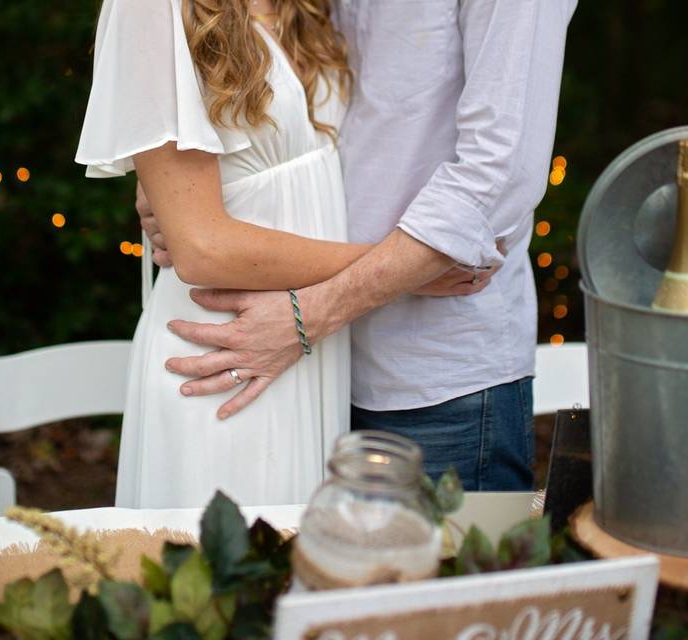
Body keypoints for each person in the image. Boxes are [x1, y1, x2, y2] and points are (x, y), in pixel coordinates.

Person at [143, 0, 578, 491]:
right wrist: (173, 181)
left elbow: (498, 172)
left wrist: (314, 311)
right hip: (311, 366)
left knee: (447, 567)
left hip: (434, 378)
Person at [75, 0, 490, 508]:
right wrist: (400, 269)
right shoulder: (150, 8)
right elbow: (201, 248)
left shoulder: (309, 8)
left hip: (314, 340)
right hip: (226, 347)